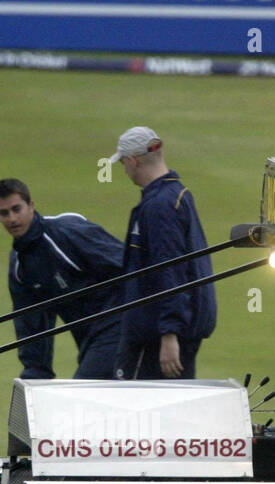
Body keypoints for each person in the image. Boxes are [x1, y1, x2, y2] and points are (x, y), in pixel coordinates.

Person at [107, 126, 216, 379]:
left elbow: (170, 270)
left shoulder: (159, 206)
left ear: (133, 161)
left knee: (133, 406)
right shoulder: (177, 195)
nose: (124, 170)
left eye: (123, 162)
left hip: (154, 337)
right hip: (168, 331)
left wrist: (169, 334)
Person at [0, 178, 123, 379]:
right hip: (89, 339)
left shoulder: (66, 232)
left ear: (31, 206)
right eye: (4, 213)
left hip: (120, 324)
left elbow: (129, 266)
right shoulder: (19, 264)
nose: (12, 219)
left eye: (17, 209)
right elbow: (30, 322)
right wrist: (35, 373)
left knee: (84, 396)